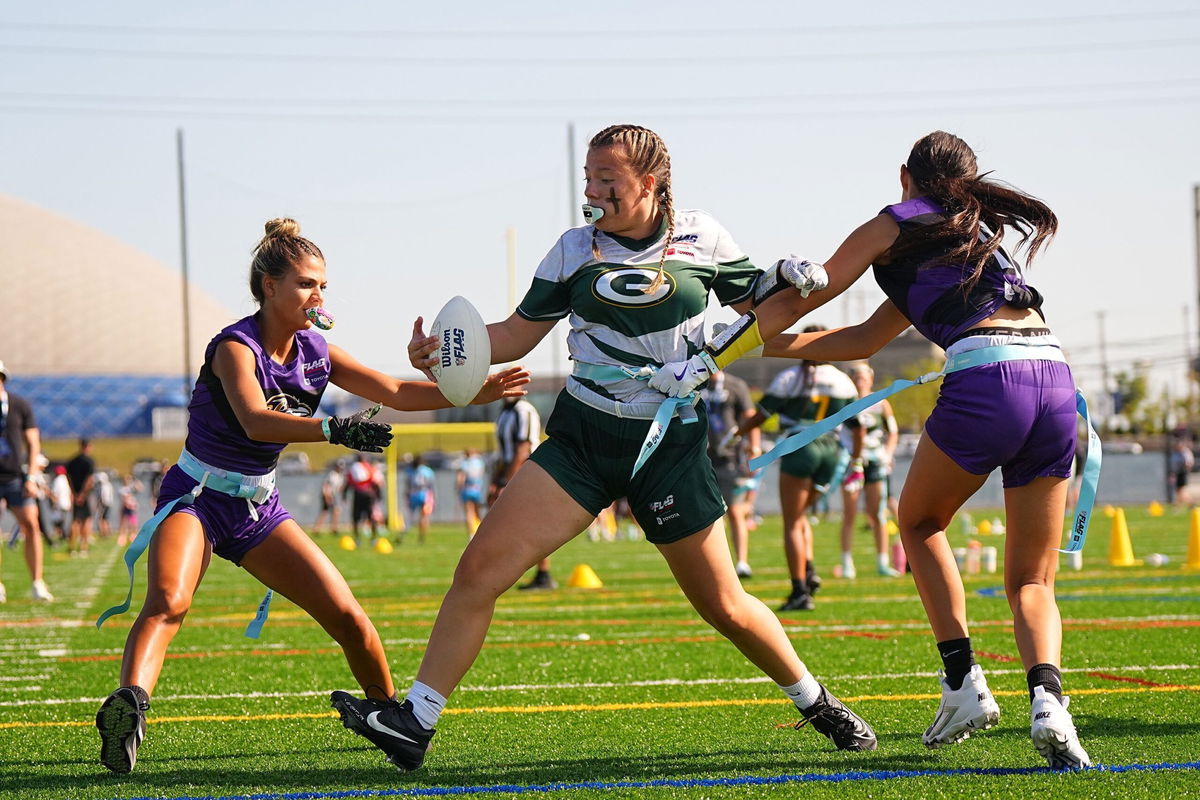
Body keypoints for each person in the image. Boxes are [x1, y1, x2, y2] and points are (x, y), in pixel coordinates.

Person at [330, 123, 875, 772]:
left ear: (650, 184)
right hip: (584, 437)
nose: (591, 191)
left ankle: (816, 702)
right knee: (478, 572)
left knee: (723, 605)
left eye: (607, 180)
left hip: (669, 442)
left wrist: (791, 276)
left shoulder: (703, 235)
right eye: (588, 178)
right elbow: (513, 334)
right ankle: (413, 721)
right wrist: (444, 354)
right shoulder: (573, 249)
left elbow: (758, 300)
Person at [704, 131, 1089, 768]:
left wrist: (728, 339)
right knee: (1031, 578)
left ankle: (963, 682)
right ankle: (1049, 702)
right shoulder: (973, 238)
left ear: (904, 176)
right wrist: (763, 345)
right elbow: (858, 339)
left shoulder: (894, 223)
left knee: (918, 521)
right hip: (1055, 379)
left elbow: (815, 291)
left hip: (990, 376)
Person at [93, 217, 529, 774]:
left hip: (256, 509)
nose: (317, 294)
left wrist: (469, 391)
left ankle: (390, 721)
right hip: (197, 497)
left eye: (321, 284)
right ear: (268, 286)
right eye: (304, 283)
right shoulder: (235, 347)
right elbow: (254, 421)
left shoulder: (317, 351)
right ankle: (130, 706)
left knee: (348, 617)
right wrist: (334, 431)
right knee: (170, 601)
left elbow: (392, 390)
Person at [734, 335, 864, 611]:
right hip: (831, 450)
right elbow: (858, 425)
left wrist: (736, 435)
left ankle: (799, 590)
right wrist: (856, 460)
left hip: (800, 445)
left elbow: (760, 415)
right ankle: (809, 569)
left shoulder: (790, 377)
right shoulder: (842, 379)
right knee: (802, 515)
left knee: (792, 521)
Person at [838, 363, 901, 579]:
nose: (859, 380)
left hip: (875, 460)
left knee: (878, 512)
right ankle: (847, 562)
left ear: (871, 379)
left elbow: (892, 432)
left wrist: (888, 454)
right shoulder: (844, 402)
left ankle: (882, 562)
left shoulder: (881, 402)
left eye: (863, 377)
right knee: (850, 512)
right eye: (855, 377)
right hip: (851, 460)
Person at [0, 360, 54, 603]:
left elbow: (33, 442)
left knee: (31, 525)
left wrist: (31, 476)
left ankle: (37, 582)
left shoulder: (19, 405)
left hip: (15, 477)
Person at [700, 369, 760, 578]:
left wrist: (755, 449)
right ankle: (713, 566)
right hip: (699, 458)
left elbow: (751, 418)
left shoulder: (736, 385)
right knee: (704, 515)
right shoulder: (695, 382)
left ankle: (742, 562)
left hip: (729, 458)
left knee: (735, 511)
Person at [490, 396, 553, 589]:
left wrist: (507, 481)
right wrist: (496, 479)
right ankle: (536, 572)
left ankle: (542, 573)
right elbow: (504, 452)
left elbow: (522, 448)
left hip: (527, 469)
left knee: (530, 524)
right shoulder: (504, 413)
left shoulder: (523, 410)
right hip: (511, 469)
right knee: (515, 524)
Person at [66, 438, 96, 557]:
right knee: (86, 520)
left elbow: (68, 477)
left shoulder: (72, 460)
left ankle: (72, 547)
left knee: (75, 520)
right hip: (85, 495)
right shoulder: (89, 461)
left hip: (75, 493)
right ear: (88, 446)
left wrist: (74, 493)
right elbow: (90, 479)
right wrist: (83, 495)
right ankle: (84, 546)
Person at [345, 452, 383, 541]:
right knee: (371, 516)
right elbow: (375, 482)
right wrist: (378, 495)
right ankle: (373, 538)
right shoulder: (370, 468)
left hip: (358, 495)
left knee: (356, 517)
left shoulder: (353, 468)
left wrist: (344, 495)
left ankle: (357, 538)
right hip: (368, 495)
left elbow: (348, 483)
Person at [404, 454, 436, 544]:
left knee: (410, 515)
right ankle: (421, 536)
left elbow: (408, 484)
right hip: (425, 494)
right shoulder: (428, 471)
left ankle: (404, 533)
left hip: (414, 494)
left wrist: (407, 495)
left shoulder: (411, 470)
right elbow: (431, 485)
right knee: (424, 516)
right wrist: (433, 497)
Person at [455, 448, 486, 537]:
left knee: (469, 512)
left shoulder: (465, 463)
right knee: (477, 511)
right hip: (477, 489)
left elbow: (461, 478)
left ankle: (471, 534)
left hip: (467, 489)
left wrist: (458, 488)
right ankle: (480, 532)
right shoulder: (479, 462)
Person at [312, 460, 345, 535]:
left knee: (336, 511)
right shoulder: (332, 475)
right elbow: (326, 486)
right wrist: (327, 497)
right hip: (327, 494)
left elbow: (338, 488)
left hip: (333, 495)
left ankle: (334, 528)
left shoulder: (340, 476)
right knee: (325, 512)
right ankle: (317, 529)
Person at [117, 473, 143, 547]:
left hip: (132, 507)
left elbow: (140, 488)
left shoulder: (131, 487)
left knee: (133, 522)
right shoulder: (121, 489)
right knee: (123, 522)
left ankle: (133, 535)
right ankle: (122, 536)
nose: (126, 481)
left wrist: (135, 480)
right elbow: (124, 497)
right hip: (125, 507)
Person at [1170, 435, 1194, 508]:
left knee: (1181, 490)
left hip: (1183, 473)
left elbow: (1189, 463)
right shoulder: (1176, 453)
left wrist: (1184, 468)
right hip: (1178, 473)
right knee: (1178, 490)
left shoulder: (1185, 452)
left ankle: (1179, 505)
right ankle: (1188, 504)